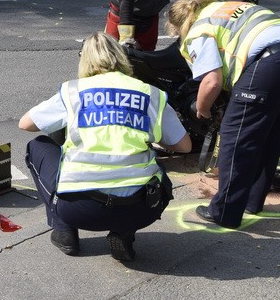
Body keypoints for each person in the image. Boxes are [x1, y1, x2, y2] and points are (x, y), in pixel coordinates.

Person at [19, 32, 192, 262]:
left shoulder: (74, 91)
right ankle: (124, 232)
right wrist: (153, 135)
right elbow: (184, 146)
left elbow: (26, 124)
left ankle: (64, 230)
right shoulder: (150, 93)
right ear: (121, 57)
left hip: (78, 209)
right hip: (139, 209)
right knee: (157, 172)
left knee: (37, 146)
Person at [166, 0, 280, 228]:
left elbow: (212, 82)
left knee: (235, 136)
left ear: (179, 26)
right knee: (274, 133)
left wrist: (202, 110)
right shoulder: (227, 7)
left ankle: (225, 212)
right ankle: (252, 200)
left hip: (273, 62)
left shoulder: (198, 30)